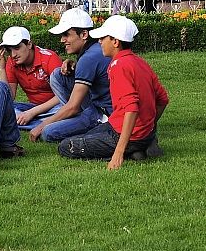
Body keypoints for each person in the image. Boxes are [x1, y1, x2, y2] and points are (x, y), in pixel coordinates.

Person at [57, 15, 168, 168]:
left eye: (103, 38)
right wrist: (148, 127)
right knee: (87, 136)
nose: (99, 42)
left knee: (65, 146)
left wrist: (118, 153)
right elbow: (162, 99)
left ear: (115, 42)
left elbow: (131, 108)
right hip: (139, 132)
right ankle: (142, 146)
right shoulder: (140, 62)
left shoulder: (118, 66)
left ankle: (131, 150)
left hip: (123, 133)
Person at [30, 8, 112, 143]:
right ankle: (77, 121)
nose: (62, 40)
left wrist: (41, 126)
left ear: (84, 34)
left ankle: (91, 128)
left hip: (103, 114)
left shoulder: (89, 58)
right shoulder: (94, 50)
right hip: (99, 106)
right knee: (58, 75)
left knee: (48, 133)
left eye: (66, 35)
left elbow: (73, 106)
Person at [0, 26, 61, 129]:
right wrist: (2, 68)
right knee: (1, 107)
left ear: (29, 44)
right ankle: (38, 122)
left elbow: (63, 96)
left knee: (63, 111)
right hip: (33, 107)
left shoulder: (49, 58)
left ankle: (19, 122)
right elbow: (8, 99)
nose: (13, 55)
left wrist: (31, 113)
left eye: (17, 48)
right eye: (9, 50)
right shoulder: (12, 62)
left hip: (55, 106)